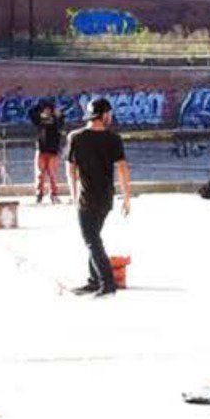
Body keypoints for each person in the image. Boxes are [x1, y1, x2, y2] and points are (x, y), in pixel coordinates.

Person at [67, 97, 131, 295]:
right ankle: (94, 280)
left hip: (86, 197)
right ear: (103, 115)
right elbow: (122, 169)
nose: (110, 117)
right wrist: (126, 196)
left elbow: (71, 169)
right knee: (94, 237)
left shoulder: (75, 137)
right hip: (106, 198)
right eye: (109, 114)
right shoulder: (113, 139)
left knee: (92, 240)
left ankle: (107, 282)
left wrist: (73, 194)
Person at [33, 100, 67, 204]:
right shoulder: (39, 120)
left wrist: (58, 114)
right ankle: (39, 195)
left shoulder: (56, 120)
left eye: (49, 109)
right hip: (41, 150)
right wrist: (39, 108)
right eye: (45, 109)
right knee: (40, 174)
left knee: (53, 174)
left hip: (53, 151)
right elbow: (31, 113)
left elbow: (62, 119)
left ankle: (54, 195)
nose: (47, 111)